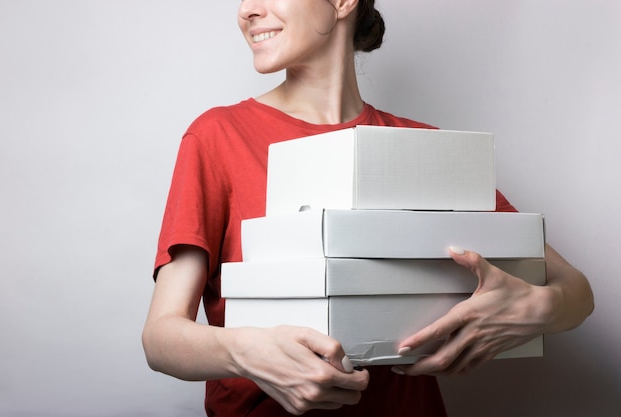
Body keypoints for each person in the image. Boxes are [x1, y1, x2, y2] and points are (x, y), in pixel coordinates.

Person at [142, 1, 594, 415]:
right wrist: (244, 351)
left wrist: (533, 310)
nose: (247, 10)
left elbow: (576, 290)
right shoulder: (218, 136)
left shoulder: (422, 147)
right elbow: (160, 338)